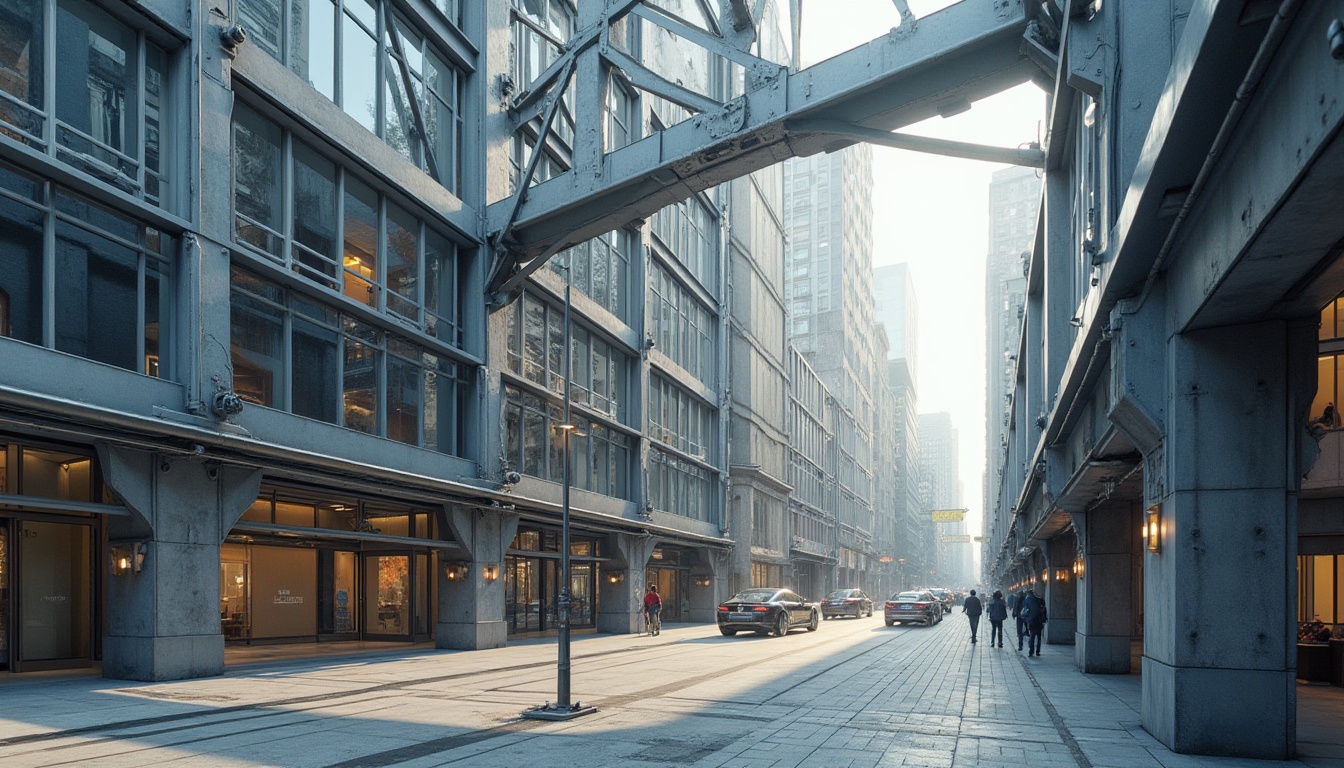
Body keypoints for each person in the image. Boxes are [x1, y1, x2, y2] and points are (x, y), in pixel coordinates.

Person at [1020, 588, 1047, 656]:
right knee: (1039, 636)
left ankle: (1031, 651)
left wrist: (1026, 618)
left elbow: (1024, 610)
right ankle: (1038, 651)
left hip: (1031, 620)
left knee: (1032, 635)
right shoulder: (1039, 599)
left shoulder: (1027, 600)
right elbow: (1044, 609)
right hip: (1039, 620)